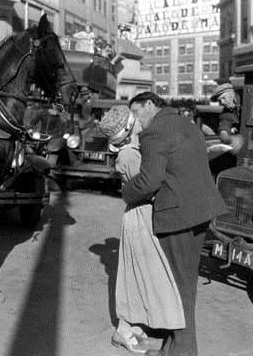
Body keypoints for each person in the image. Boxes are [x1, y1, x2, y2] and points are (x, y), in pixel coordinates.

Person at [122, 92, 226, 356]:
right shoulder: (184, 122)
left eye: (137, 112)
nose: (137, 121)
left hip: (178, 216)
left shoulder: (154, 133)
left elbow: (148, 181)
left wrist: (126, 191)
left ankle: (184, 351)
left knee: (177, 288)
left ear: (150, 105)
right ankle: (172, 346)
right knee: (184, 282)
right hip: (201, 211)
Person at [97, 105, 185, 354]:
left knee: (138, 272)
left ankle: (131, 325)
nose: (141, 123)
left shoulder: (133, 151)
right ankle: (123, 330)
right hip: (142, 215)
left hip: (141, 215)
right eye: (136, 121)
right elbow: (148, 187)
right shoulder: (129, 155)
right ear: (129, 129)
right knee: (140, 273)